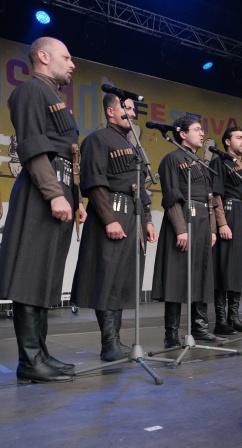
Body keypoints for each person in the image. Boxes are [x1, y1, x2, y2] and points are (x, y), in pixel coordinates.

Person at [0, 37, 87, 383]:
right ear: (43, 56)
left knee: (45, 277)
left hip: (58, 193)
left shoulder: (52, 96)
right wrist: (54, 193)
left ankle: (41, 354)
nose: (72, 64)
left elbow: (70, 159)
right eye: (66, 57)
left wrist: (76, 198)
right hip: (40, 194)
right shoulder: (31, 91)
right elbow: (33, 147)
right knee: (30, 276)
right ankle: (30, 362)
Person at [70, 94, 157, 361]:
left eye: (133, 109)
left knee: (121, 281)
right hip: (112, 213)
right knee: (107, 279)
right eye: (126, 108)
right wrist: (109, 220)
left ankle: (116, 341)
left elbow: (141, 188)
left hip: (133, 215)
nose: (132, 113)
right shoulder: (97, 139)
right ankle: (109, 345)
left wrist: (148, 220)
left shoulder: (133, 146)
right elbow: (95, 182)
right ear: (110, 110)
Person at [152, 115, 226, 348]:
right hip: (183, 219)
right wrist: (180, 229)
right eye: (197, 129)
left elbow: (211, 198)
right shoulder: (171, 159)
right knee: (176, 276)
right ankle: (171, 334)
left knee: (202, 274)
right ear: (182, 134)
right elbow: (171, 196)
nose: (202, 133)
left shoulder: (202, 162)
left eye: (202, 129)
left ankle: (201, 328)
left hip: (204, 222)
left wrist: (213, 229)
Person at [210, 127, 242, 335]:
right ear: (227, 142)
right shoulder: (219, 162)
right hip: (229, 215)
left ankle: (233, 317)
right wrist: (221, 223)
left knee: (237, 269)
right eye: (239, 138)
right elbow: (216, 195)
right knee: (224, 268)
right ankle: (221, 320)